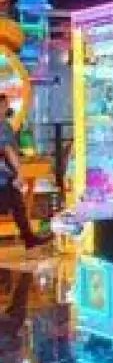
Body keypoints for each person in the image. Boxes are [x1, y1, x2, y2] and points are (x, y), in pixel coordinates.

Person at [0, 95, 49, 250]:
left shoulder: (5, 124)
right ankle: (29, 238)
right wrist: (19, 172)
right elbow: (8, 150)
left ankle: (29, 238)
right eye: (4, 105)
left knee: (18, 205)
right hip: (4, 175)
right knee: (14, 205)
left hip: (6, 175)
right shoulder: (2, 126)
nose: (7, 108)